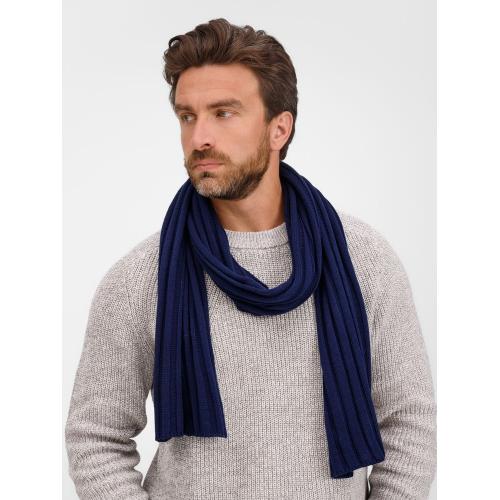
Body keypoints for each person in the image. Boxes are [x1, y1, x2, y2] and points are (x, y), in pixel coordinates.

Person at [65, 18, 437, 499]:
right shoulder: (140, 277)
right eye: (187, 116)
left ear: (279, 128)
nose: (199, 137)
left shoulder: (363, 260)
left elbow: (408, 423)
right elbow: (96, 437)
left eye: (224, 113)